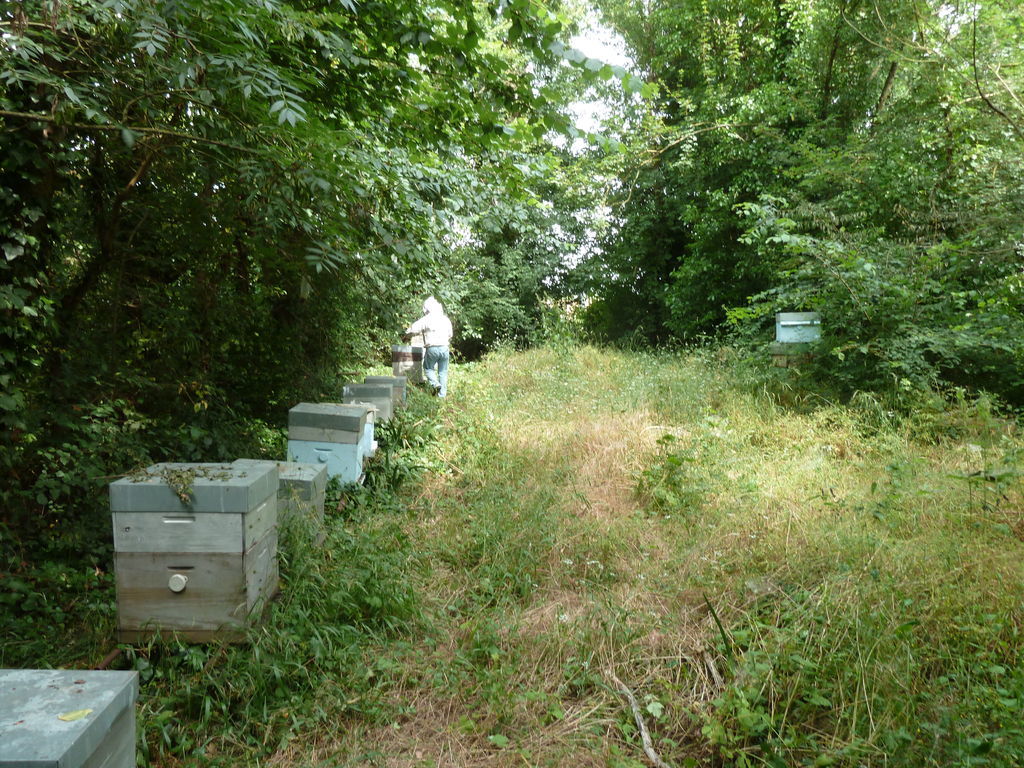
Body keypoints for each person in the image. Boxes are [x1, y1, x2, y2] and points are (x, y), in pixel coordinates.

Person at [404, 296, 453, 397]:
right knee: (443, 372)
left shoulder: (427, 319)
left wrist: (405, 336)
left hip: (433, 348)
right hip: (445, 348)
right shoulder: (446, 319)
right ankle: (442, 396)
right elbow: (450, 334)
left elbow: (413, 329)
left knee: (428, 368)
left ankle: (435, 384)